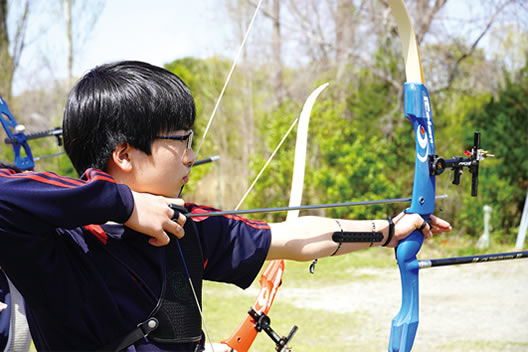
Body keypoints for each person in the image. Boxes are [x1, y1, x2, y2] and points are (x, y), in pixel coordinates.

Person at [0, 61, 451, 351]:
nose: (191, 155)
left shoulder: (181, 223)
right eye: (180, 141)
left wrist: (388, 231)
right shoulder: (61, 240)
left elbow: (289, 239)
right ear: (124, 154)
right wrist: (121, 203)